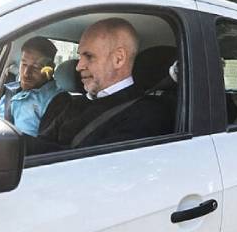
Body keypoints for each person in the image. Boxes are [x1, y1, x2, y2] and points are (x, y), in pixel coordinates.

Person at [29, 18, 172, 153]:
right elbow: (40, 148)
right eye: (80, 57)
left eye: (89, 56)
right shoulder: (71, 103)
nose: (78, 66)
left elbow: (94, 167)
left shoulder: (146, 115)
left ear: (118, 59)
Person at [0, 36, 63, 136]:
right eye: (24, 64)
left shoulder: (57, 101)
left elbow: (46, 147)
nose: (26, 73)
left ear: (50, 69)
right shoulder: (11, 91)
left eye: (36, 67)